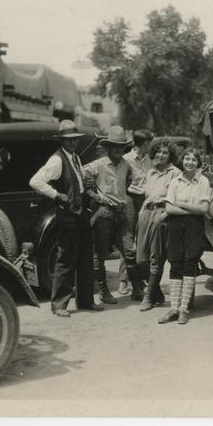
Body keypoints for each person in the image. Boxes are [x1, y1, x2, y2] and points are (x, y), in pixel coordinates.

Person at [29, 120, 103, 317]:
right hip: (68, 214)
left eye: (75, 139)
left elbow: (77, 182)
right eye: (68, 140)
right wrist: (56, 195)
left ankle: (86, 301)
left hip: (81, 212)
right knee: (66, 257)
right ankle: (59, 304)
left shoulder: (76, 157)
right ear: (61, 141)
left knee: (85, 257)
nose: (72, 143)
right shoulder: (57, 160)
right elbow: (35, 181)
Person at [83, 125, 145, 304]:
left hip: (121, 213)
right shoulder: (98, 165)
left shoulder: (126, 165)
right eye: (115, 146)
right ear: (109, 147)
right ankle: (104, 292)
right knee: (100, 254)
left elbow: (129, 182)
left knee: (130, 251)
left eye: (121, 147)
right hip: (103, 213)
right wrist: (95, 195)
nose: (118, 150)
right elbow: (83, 177)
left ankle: (137, 290)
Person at [159, 147, 211, 325]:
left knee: (190, 263)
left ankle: (184, 309)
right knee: (175, 262)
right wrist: (192, 208)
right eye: (187, 159)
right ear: (182, 161)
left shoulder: (203, 181)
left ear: (198, 163)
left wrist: (180, 203)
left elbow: (204, 209)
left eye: (194, 159)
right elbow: (169, 208)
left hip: (194, 227)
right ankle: (174, 308)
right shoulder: (175, 181)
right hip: (175, 226)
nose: (190, 162)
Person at [137, 138, 182, 311]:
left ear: (170, 155)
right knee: (141, 259)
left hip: (162, 215)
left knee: (156, 257)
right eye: (158, 152)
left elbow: (178, 199)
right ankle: (157, 292)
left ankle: (149, 297)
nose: (161, 155)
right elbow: (147, 196)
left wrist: (164, 215)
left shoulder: (175, 173)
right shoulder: (150, 172)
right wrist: (141, 213)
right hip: (146, 213)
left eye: (165, 152)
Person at [118, 129, 154, 294]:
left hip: (145, 200)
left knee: (143, 238)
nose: (151, 145)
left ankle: (141, 279)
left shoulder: (149, 160)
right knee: (128, 239)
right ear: (144, 144)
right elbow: (122, 183)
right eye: (149, 143)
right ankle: (123, 280)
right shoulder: (126, 159)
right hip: (130, 199)